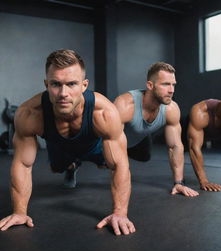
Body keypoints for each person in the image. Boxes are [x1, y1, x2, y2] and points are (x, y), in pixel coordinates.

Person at [0, 49, 135, 236]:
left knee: (108, 162)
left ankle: (82, 161)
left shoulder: (104, 112)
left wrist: (120, 213)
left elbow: (120, 164)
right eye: (56, 84)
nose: (63, 93)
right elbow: (22, 164)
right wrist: (19, 212)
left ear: (84, 85)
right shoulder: (30, 113)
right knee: (58, 167)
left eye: (72, 84)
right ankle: (71, 166)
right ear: (46, 84)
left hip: (93, 145)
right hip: (58, 146)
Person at [114, 62, 199, 197]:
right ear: (150, 85)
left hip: (137, 141)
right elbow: (113, 142)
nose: (171, 90)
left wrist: (179, 183)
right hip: (108, 140)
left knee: (145, 155)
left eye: (173, 85)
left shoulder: (171, 109)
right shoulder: (125, 105)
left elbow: (175, 146)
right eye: (166, 84)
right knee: (103, 158)